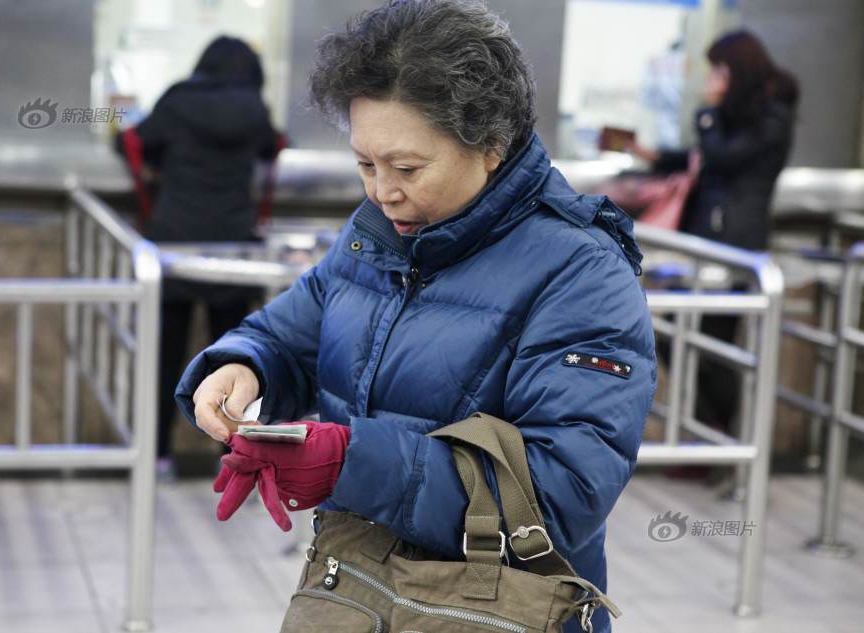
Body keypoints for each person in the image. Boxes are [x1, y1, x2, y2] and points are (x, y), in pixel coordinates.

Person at [176, 2, 656, 631]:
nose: (381, 191)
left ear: (491, 144)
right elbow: (296, 333)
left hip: (493, 606)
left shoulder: (581, 271)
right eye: (364, 165)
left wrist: (350, 461)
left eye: (406, 168)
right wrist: (245, 366)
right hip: (362, 585)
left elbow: (565, 494)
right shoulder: (377, 232)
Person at [116, 36, 280, 480]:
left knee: (164, 358)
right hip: (233, 249)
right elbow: (271, 148)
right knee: (235, 363)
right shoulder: (253, 108)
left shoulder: (177, 99)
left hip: (175, 246)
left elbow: (135, 142)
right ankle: (231, 458)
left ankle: (157, 457)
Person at [630, 29, 799, 439]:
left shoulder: (772, 117)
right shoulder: (738, 118)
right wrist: (654, 156)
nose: (709, 80)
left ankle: (721, 440)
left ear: (735, 70)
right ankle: (709, 432)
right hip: (706, 244)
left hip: (735, 248)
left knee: (714, 348)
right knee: (677, 336)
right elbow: (705, 157)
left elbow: (723, 157)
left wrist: (706, 115)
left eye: (716, 70)